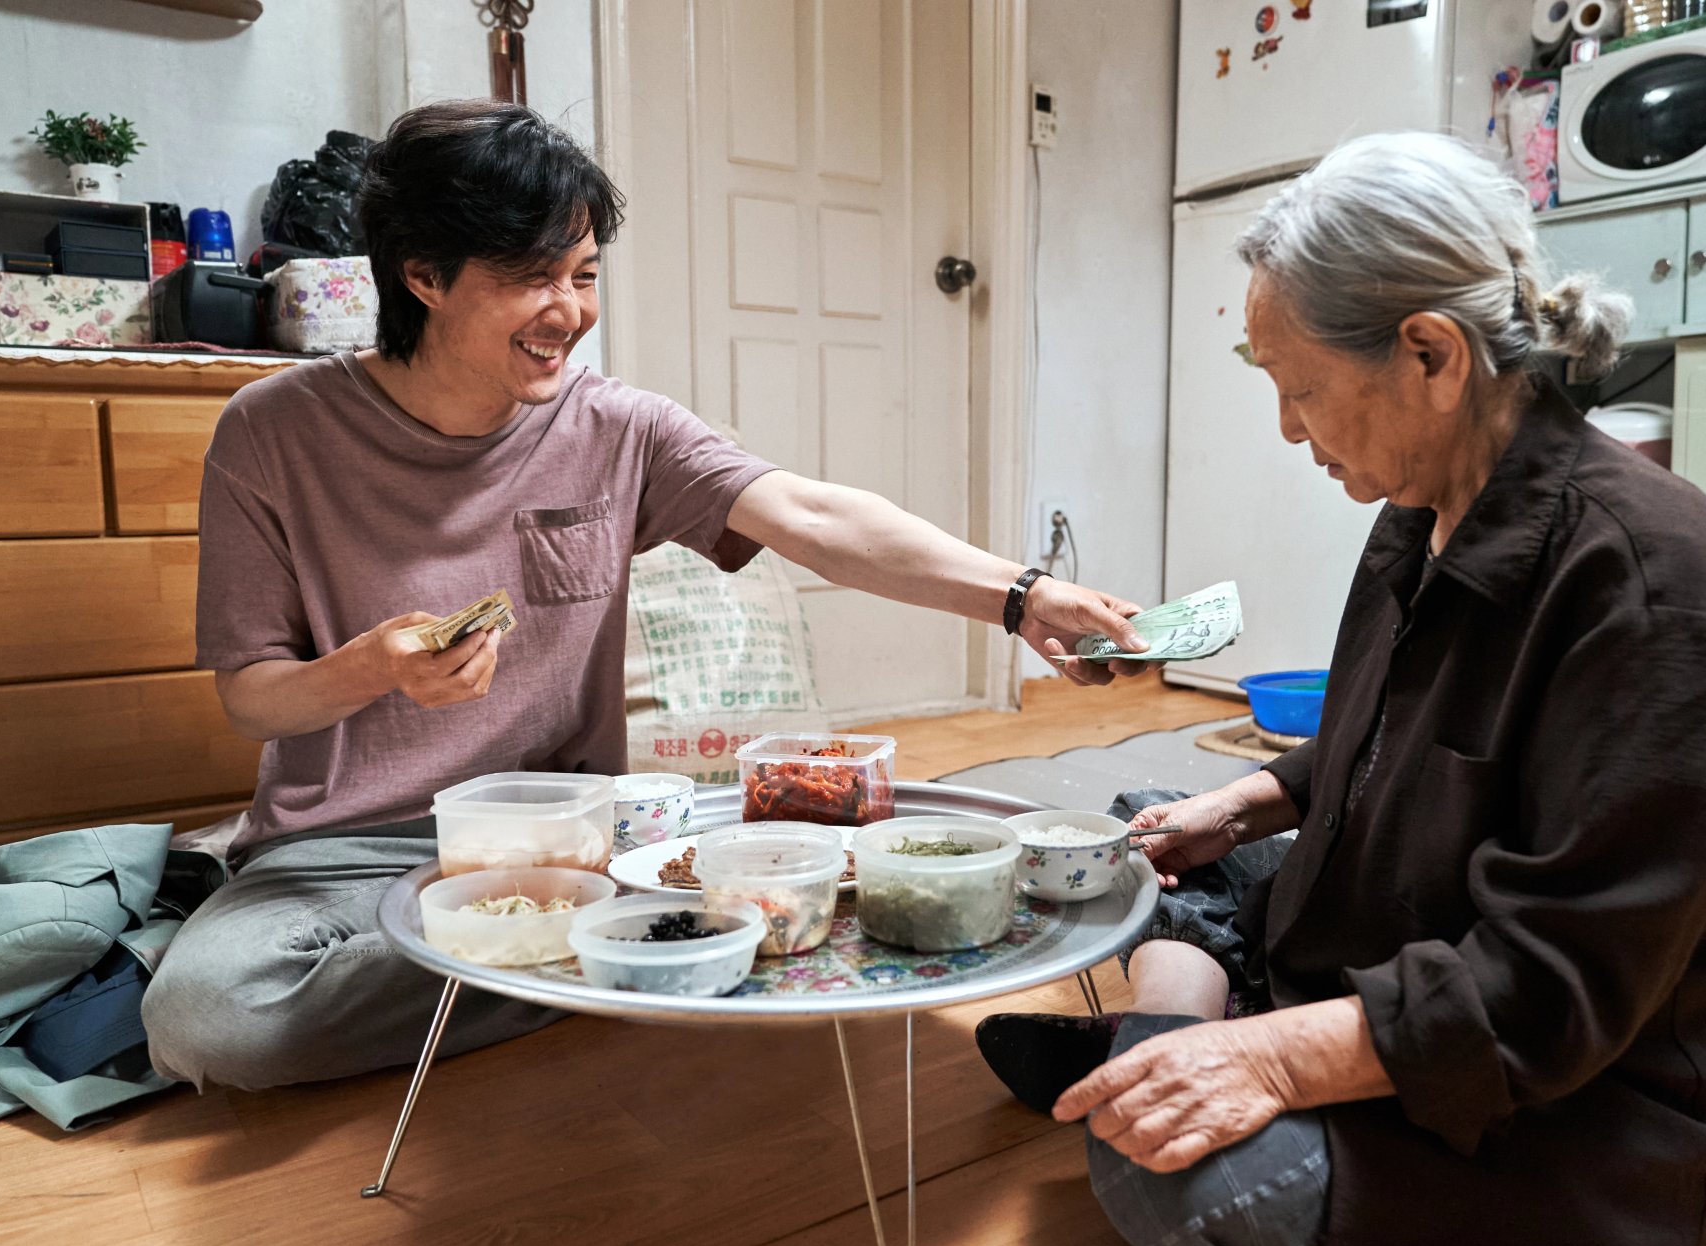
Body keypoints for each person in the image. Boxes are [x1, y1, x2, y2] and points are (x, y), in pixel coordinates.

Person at [141, 100, 1148, 1091]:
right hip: (344, 852)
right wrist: (370, 671)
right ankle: (644, 962)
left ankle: (608, 949)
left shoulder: (620, 426)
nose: (570, 313)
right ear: (423, 275)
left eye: (583, 276)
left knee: (825, 862)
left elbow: (816, 517)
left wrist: (1021, 594)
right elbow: (253, 695)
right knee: (213, 1015)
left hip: (577, 838)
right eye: (532, 277)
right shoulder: (271, 432)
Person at [975, 132, 1706, 1246]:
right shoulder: (1416, 510)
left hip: (1583, 1107)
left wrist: (1266, 1066)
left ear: (1431, 354)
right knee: (1148, 828)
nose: (1288, 428)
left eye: (1299, 387)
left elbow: (1558, 982)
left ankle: (1164, 1048)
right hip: (1394, 938)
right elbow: (1385, 742)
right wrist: (1253, 798)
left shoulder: (1649, 576)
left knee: (1168, 1177)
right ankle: (1175, 1050)